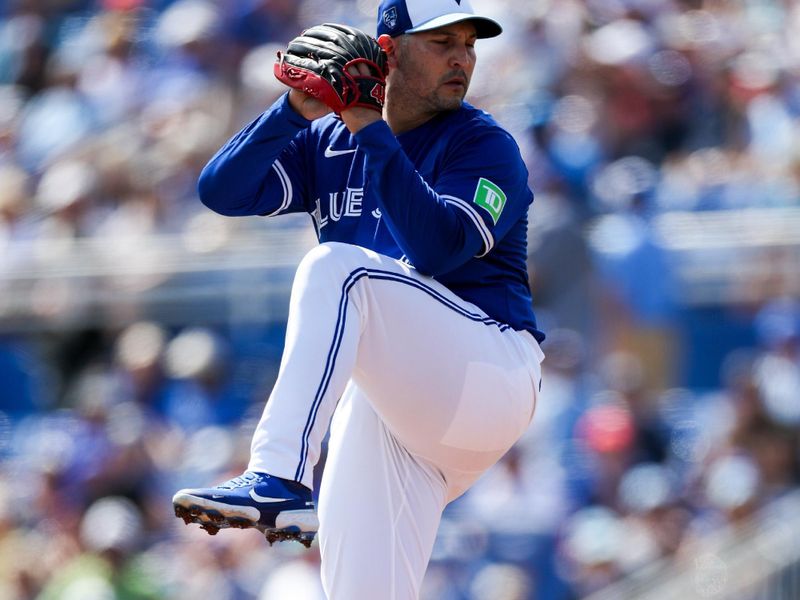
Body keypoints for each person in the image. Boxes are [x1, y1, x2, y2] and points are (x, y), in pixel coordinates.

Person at [172, 0, 546, 597]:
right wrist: (293, 110)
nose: (462, 57)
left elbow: (438, 250)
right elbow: (222, 189)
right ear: (388, 49)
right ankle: (283, 484)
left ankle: (278, 474)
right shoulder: (329, 140)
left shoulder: (482, 143)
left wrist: (368, 124)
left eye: (469, 44)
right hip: (395, 407)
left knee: (336, 269)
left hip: (486, 374)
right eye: (441, 41)